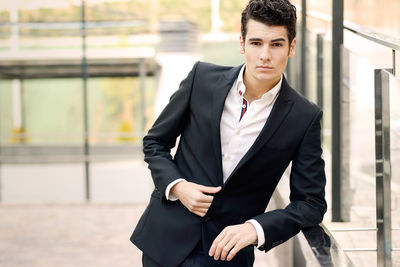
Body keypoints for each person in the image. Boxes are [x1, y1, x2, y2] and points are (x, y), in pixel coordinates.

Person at [130, 0, 327, 266]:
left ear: (291, 47)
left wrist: (256, 228)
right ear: (242, 43)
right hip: (165, 242)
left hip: (227, 254)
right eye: (256, 43)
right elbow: (155, 141)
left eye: (276, 44)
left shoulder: (304, 117)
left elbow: (311, 203)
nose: (265, 55)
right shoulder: (201, 79)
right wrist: (178, 186)